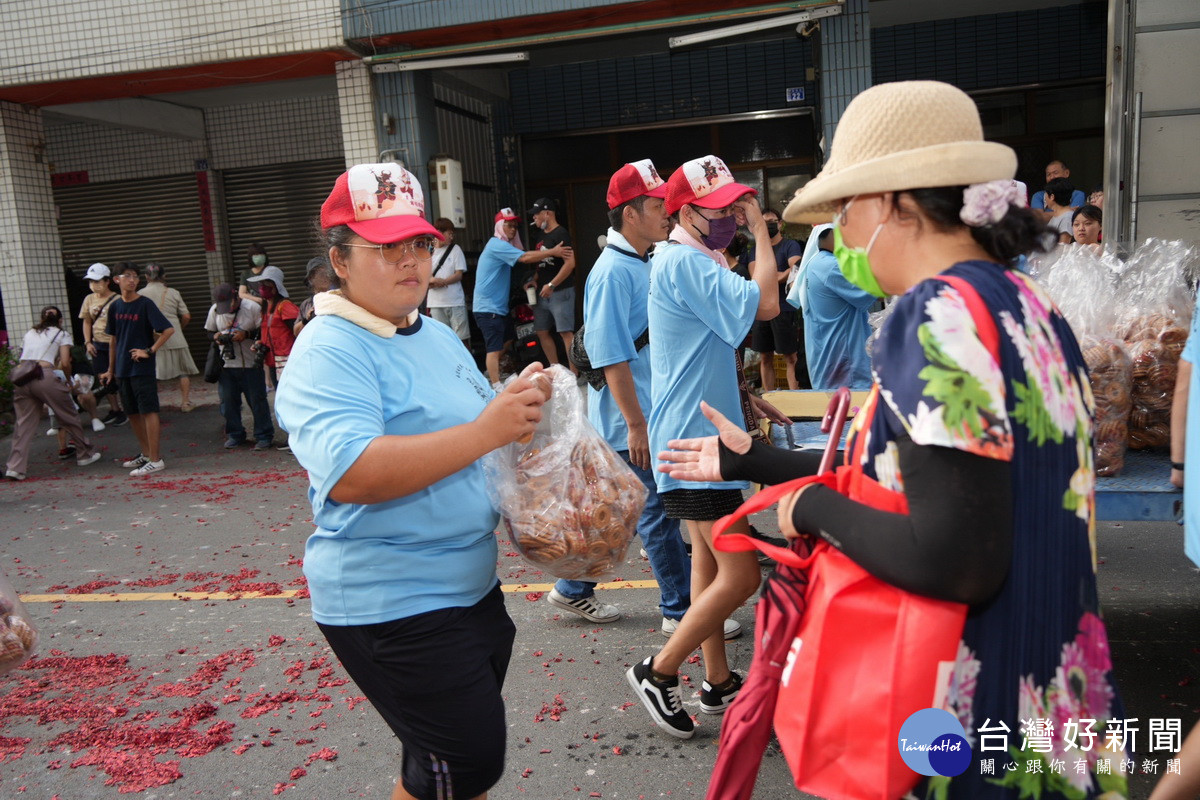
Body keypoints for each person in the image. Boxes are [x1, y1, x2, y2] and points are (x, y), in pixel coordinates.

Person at [662, 80, 1128, 798]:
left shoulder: (933, 317)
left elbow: (955, 558)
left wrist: (812, 507)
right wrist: (759, 460)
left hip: (972, 716)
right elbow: (944, 473)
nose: (843, 232)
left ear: (891, 202)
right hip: (1058, 706)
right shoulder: (1028, 307)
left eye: (847, 209)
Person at [274, 162, 550, 800]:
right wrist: (489, 429)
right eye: (386, 247)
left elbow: (481, 432)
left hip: (469, 586)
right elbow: (354, 473)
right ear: (340, 261)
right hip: (395, 598)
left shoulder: (433, 334)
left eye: (420, 244)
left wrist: (524, 417)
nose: (410, 261)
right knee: (467, 760)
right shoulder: (329, 348)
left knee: (443, 771)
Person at [626, 154, 786, 740]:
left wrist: (745, 395)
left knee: (708, 563)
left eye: (735, 207)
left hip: (696, 436)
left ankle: (717, 680)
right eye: (720, 210)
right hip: (697, 446)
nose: (732, 218)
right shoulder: (684, 261)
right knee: (740, 577)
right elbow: (766, 306)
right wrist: (764, 233)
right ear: (685, 211)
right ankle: (657, 670)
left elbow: (704, 350)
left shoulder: (694, 257)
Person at [548, 158, 713, 637]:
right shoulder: (611, 272)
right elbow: (611, 357)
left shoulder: (643, 260)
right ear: (630, 214)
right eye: (658, 204)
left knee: (621, 511)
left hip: (643, 412)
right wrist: (637, 424)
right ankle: (681, 613)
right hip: (629, 419)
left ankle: (573, 589)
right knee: (658, 514)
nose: (668, 211)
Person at [473, 208, 571, 386]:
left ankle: (490, 371)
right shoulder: (497, 244)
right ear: (499, 227)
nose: (512, 229)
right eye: (508, 225)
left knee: (508, 339)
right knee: (493, 349)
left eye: (514, 226)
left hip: (498, 307)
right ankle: (495, 386)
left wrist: (529, 281)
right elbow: (525, 257)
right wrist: (552, 252)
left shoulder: (503, 247)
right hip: (488, 308)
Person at [5, 307, 103, 480]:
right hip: (45, 376)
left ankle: (15, 467)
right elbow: (65, 363)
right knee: (68, 415)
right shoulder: (61, 334)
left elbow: (24, 357)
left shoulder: (30, 333)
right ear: (60, 320)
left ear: (41, 319)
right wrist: (69, 381)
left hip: (23, 378)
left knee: (23, 424)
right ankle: (84, 454)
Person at [100, 262, 174, 476]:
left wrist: (149, 351)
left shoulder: (145, 304)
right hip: (122, 369)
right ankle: (145, 453)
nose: (132, 280)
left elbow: (167, 330)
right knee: (132, 412)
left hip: (142, 368)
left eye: (135, 276)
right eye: (127, 276)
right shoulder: (115, 306)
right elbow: (113, 340)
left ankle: (156, 459)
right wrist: (110, 370)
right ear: (116, 280)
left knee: (148, 410)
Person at [795, 224, 875, 389]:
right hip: (845, 360)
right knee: (852, 409)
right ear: (829, 235)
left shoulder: (818, 262)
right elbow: (872, 291)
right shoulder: (831, 265)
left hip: (832, 355)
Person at [205, 283, 274, 450]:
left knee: (257, 401)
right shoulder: (215, 310)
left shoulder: (251, 307)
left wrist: (246, 335)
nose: (227, 309)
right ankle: (235, 434)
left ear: (236, 297)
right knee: (228, 403)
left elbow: (264, 331)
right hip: (226, 366)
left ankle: (263, 435)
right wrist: (217, 336)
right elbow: (209, 331)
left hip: (251, 364)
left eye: (230, 304)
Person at [748, 208, 804, 391]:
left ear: (780, 223)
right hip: (762, 311)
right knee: (765, 356)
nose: (769, 226)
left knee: (790, 357)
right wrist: (779, 275)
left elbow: (796, 269)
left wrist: (769, 277)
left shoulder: (790, 245)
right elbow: (755, 277)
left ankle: (796, 400)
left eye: (772, 221)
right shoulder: (756, 249)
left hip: (784, 308)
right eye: (764, 222)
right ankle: (769, 398)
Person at [139, 263, 199, 411]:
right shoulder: (173, 292)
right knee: (183, 371)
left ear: (146, 277)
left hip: (152, 339)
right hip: (175, 336)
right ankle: (185, 403)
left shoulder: (139, 294)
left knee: (151, 374)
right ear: (164, 276)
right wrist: (179, 327)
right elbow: (186, 316)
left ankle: (153, 406)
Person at [527, 198, 577, 367]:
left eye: (536, 214)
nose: (534, 218)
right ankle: (556, 370)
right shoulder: (540, 235)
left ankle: (573, 372)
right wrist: (534, 280)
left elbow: (570, 264)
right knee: (541, 331)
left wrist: (552, 285)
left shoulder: (561, 233)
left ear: (547, 214)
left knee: (565, 332)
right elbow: (540, 264)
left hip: (560, 290)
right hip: (542, 292)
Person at [78, 262, 127, 427]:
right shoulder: (89, 299)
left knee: (120, 375)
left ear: (108, 281)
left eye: (98, 281)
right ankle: (115, 410)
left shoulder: (118, 299)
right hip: (98, 345)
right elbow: (86, 322)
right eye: (91, 282)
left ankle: (129, 408)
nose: (94, 285)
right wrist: (87, 342)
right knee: (103, 378)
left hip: (117, 344)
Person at [247, 266, 298, 388]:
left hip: (286, 361)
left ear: (276, 286)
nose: (263, 287)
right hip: (271, 361)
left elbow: (298, 331)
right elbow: (268, 331)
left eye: (267, 283)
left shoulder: (285, 306)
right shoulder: (265, 308)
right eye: (261, 283)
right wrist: (260, 342)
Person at [426, 217, 470, 349]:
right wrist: (433, 280)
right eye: (449, 233)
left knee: (461, 339)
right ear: (439, 232)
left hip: (455, 301)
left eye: (452, 234)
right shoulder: (429, 250)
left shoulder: (455, 249)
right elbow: (423, 273)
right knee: (442, 340)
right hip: (436, 303)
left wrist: (443, 282)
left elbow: (458, 274)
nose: (452, 237)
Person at [294, 256, 339, 336]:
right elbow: (296, 332)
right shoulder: (307, 304)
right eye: (320, 273)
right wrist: (306, 319)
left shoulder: (339, 297)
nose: (325, 276)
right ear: (311, 278)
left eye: (327, 273)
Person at [1043, 177, 1079, 243]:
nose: (1044, 198)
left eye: (1045, 194)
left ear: (1052, 197)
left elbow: (1063, 247)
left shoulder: (1067, 217)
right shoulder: (1057, 215)